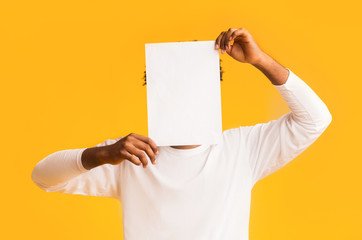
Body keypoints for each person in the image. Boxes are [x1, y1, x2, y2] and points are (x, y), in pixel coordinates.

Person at [31, 27, 332, 240]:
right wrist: (103, 154)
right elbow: (42, 177)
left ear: (213, 91)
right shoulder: (130, 156)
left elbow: (315, 119)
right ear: (155, 93)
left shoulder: (241, 149)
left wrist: (261, 60)